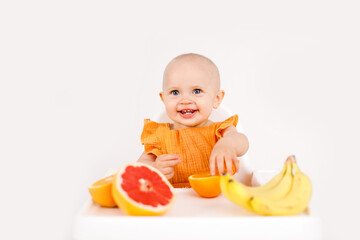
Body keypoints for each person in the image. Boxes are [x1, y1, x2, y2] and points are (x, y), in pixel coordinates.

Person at [137, 53, 249, 188]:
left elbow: (242, 142)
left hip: (214, 200)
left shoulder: (221, 130)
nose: (185, 100)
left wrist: (228, 145)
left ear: (216, 99)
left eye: (196, 91)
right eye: (175, 92)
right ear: (164, 99)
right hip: (174, 203)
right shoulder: (158, 136)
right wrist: (154, 168)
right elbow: (139, 167)